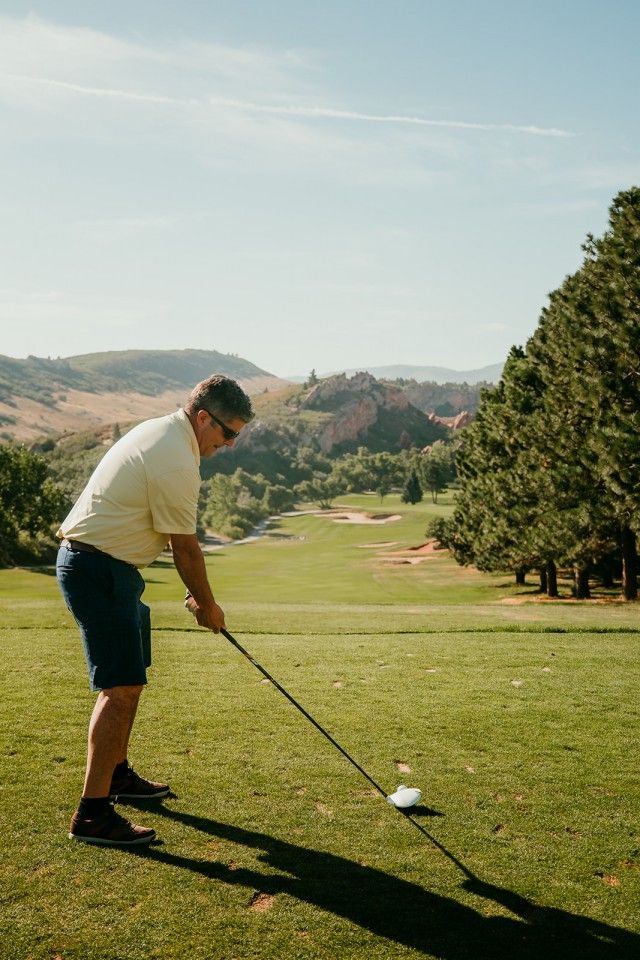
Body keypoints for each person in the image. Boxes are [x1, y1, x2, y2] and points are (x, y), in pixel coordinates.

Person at [56, 374, 254, 847]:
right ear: (203, 417)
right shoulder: (173, 457)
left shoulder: (168, 435)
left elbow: (166, 532)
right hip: (98, 569)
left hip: (112, 569)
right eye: (228, 433)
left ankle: (117, 775)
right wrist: (209, 607)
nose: (229, 444)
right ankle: (92, 814)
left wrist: (199, 599)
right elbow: (185, 548)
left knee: (132, 679)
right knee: (119, 688)